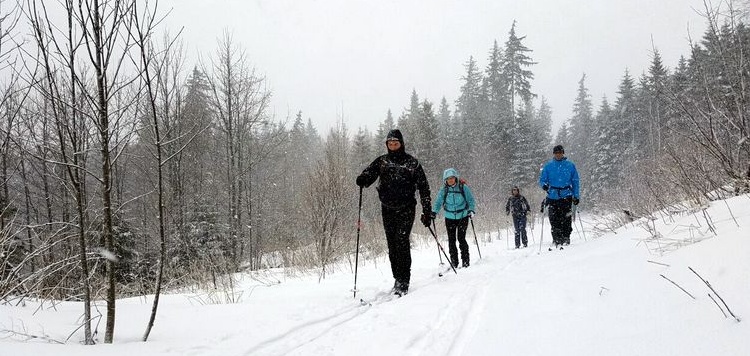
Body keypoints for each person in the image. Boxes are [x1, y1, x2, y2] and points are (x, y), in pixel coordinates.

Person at [356, 129, 431, 296]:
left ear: (401, 144)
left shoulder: (412, 163)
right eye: (390, 143)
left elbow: (424, 188)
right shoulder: (382, 161)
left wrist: (427, 211)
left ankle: (404, 280)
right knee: (392, 244)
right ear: (387, 145)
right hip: (387, 208)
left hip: (406, 208)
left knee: (402, 241)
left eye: (396, 143)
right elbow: (370, 173)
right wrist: (363, 179)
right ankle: (397, 277)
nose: (393, 146)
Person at [431, 168, 476, 268]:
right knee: (451, 240)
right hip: (449, 217)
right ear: (445, 180)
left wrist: (471, 210)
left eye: (452, 178)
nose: (450, 180)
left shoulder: (463, 187)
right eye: (448, 179)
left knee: (461, 238)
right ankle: (454, 262)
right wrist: (434, 212)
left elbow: (471, 200)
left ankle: (465, 261)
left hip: (462, 216)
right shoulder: (444, 190)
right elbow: (438, 202)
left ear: (455, 178)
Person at [539, 145, 580, 248]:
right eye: (556, 153)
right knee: (553, 218)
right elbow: (542, 179)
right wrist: (544, 185)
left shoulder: (570, 165)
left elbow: (575, 181)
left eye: (560, 152)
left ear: (563, 153)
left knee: (566, 217)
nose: (558, 154)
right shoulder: (548, 166)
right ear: (554, 154)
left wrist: (576, 195)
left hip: (566, 195)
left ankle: (566, 237)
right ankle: (557, 238)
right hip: (552, 196)